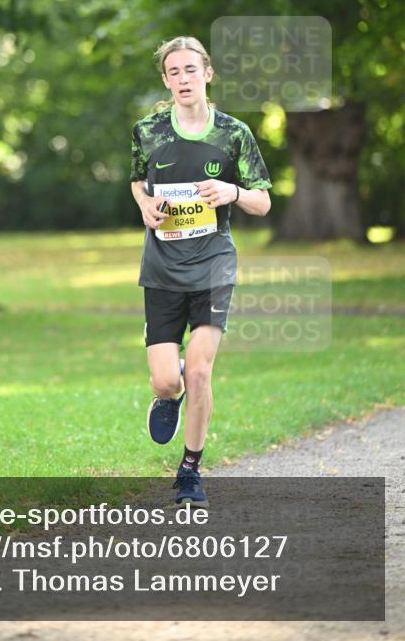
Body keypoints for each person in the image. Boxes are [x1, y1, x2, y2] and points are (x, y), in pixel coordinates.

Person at [130, 35, 272, 506]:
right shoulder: (148, 131)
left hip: (213, 265)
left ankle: (190, 469)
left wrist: (232, 192)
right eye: (174, 72)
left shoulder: (234, 134)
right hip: (162, 268)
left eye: (191, 69)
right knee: (167, 380)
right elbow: (137, 180)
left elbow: (262, 202)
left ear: (207, 74)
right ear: (166, 80)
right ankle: (168, 391)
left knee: (200, 372)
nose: (183, 78)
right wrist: (145, 204)